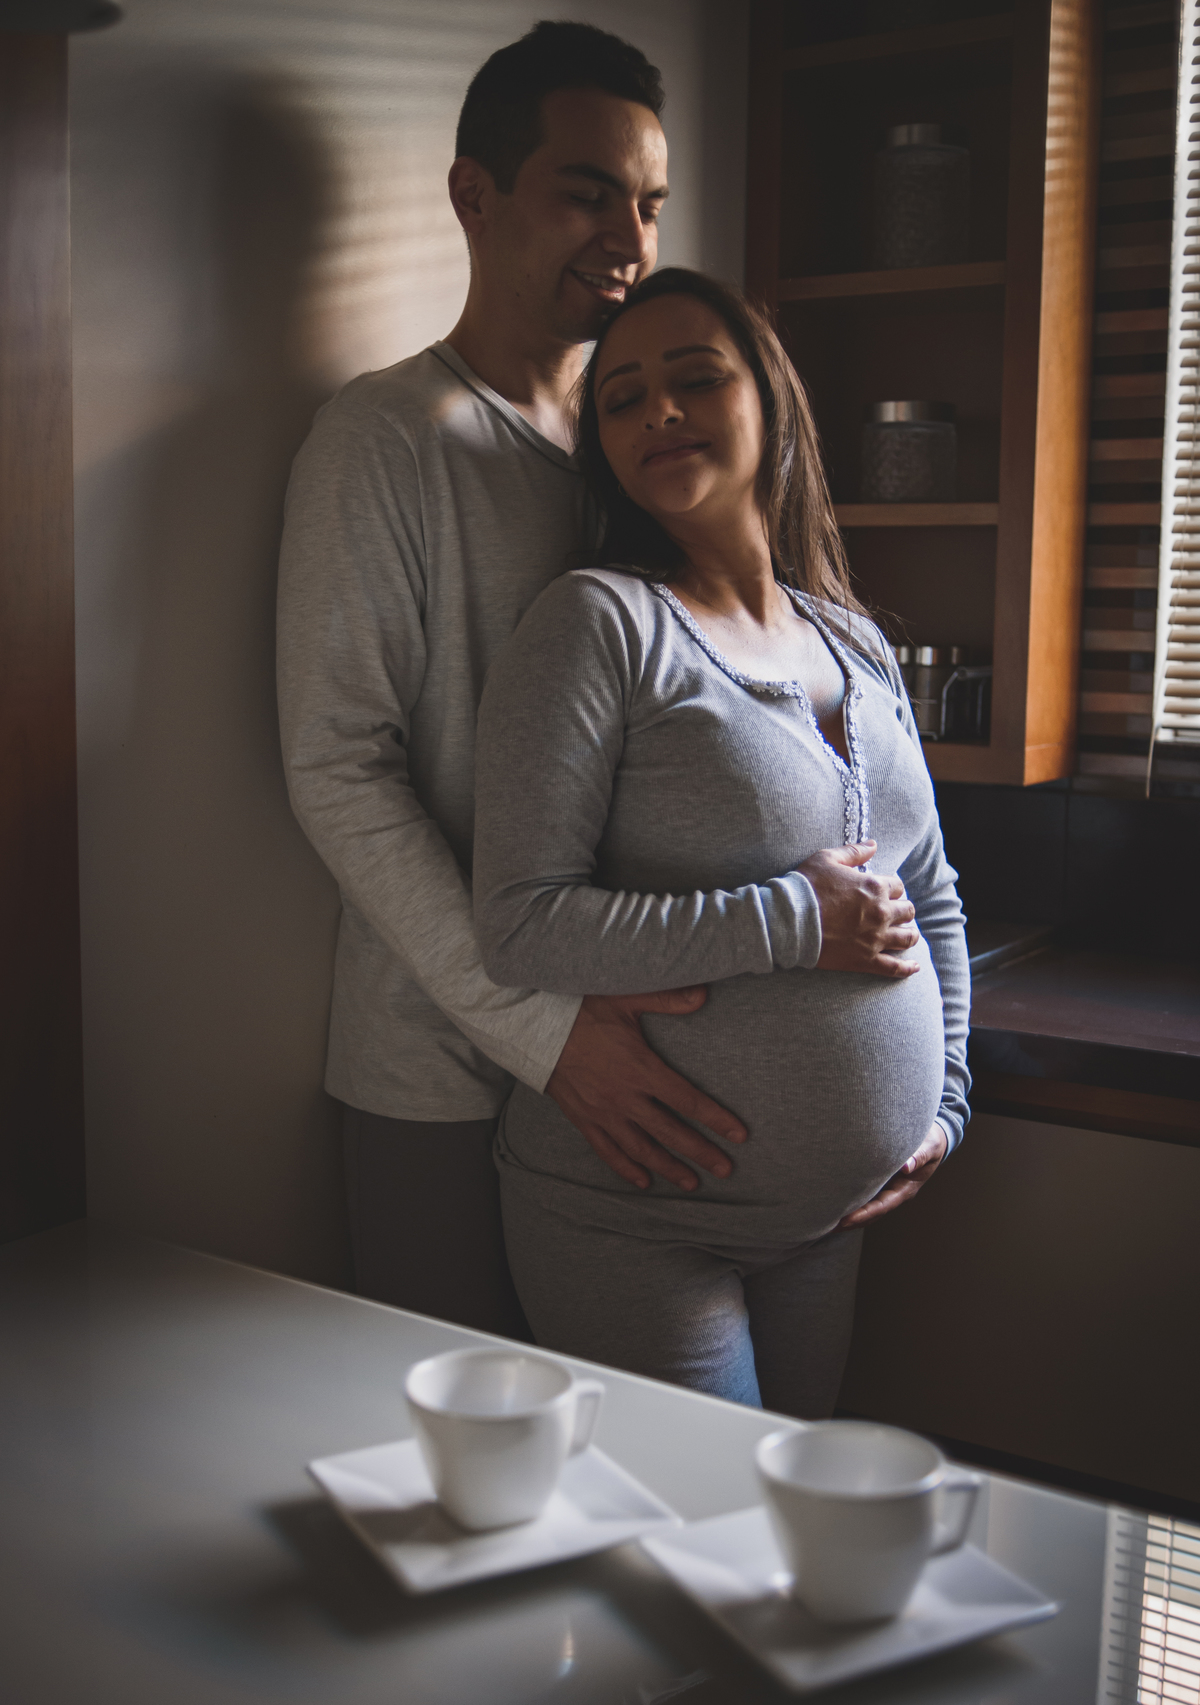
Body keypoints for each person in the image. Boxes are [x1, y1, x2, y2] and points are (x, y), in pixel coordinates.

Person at [278, 24, 917, 1340]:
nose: (627, 240)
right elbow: (339, 768)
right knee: (474, 1487)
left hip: (667, 1088)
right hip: (448, 1067)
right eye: (586, 193)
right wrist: (549, 1034)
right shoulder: (387, 439)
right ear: (476, 195)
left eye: (648, 204)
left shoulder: (636, 441)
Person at [473, 268, 969, 1415]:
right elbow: (519, 921)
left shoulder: (854, 639)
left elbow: (930, 892)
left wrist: (944, 1099)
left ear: (772, 403)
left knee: (778, 1558)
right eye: (624, 398)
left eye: (696, 378)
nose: (660, 412)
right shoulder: (597, 624)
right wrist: (792, 921)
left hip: (825, 1222)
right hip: (630, 1217)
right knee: (704, 1550)